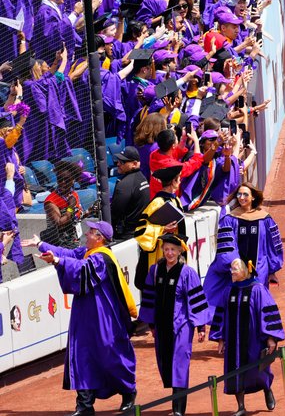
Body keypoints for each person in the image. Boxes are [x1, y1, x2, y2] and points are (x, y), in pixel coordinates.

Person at [25, 220, 138, 416]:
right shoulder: (87, 252)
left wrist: (57, 262)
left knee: (110, 355)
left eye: (91, 232)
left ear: (100, 238)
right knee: (81, 355)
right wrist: (41, 244)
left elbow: (82, 270)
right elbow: (67, 254)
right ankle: (84, 405)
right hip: (84, 316)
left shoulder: (102, 258)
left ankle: (128, 391)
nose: (86, 234)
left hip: (103, 318)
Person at [138, 233, 212, 416]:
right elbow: (150, 299)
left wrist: (201, 327)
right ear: (162, 250)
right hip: (162, 326)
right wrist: (151, 324)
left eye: (173, 249)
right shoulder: (155, 271)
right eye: (167, 249)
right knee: (167, 364)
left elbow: (197, 302)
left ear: (180, 251)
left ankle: (178, 409)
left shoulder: (187, 273)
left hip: (182, 326)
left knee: (180, 364)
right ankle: (176, 403)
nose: (169, 253)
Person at [204, 182, 283, 340]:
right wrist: (235, 264)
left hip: (258, 270)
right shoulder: (230, 219)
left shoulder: (265, 219)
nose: (241, 197)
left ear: (253, 197)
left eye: (245, 194)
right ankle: (230, 338)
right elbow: (227, 245)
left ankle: (257, 337)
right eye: (239, 194)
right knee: (233, 303)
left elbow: (272, 245)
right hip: (236, 272)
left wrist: (273, 269)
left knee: (256, 302)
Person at [215, 258, 284, 415]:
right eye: (231, 269)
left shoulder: (258, 289)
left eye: (235, 269)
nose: (231, 271)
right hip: (233, 341)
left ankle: (267, 389)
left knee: (258, 371)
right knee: (234, 373)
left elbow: (268, 312)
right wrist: (221, 338)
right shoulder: (228, 291)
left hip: (253, 340)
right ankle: (241, 407)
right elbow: (221, 314)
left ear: (245, 270)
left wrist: (271, 338)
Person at [134, 164, 185, 290]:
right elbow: (140, 232)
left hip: (173, 254)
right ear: (173, 181)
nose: (180, 181)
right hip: (158, 256)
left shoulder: (176, 201)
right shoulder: (157, 203)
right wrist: (163, 229)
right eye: (178, 179)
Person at [110, 146, 151, 241]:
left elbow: (114, 213)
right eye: (118, 160)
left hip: (127, 236)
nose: (118, 164)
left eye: (122, 162)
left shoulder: (124, 184)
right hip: (141, 231)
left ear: (134, 164)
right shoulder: (142, 178)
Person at [41, 160, 85, 249]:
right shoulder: (51, 200)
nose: (62, 183)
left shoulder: (74, 195)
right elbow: (59, 223)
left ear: (73, 181)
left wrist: (90, 211)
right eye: (60, 179)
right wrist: (70, 207)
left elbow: (76, 217)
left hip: (74, 240)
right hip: (60, 245)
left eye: (67, 180)